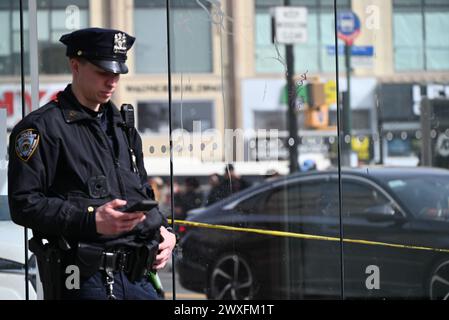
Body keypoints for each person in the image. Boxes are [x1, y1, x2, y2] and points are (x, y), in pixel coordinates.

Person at [7, 27, 176, 300]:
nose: (112, 81)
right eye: (103, 72)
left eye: (117, 73)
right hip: (85, 279)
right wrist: (90, 221)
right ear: (75, 66)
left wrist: (165, 232)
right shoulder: (42, 129)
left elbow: (141, 193)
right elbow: (24, 203)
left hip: (138, 278)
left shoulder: (123, 128)